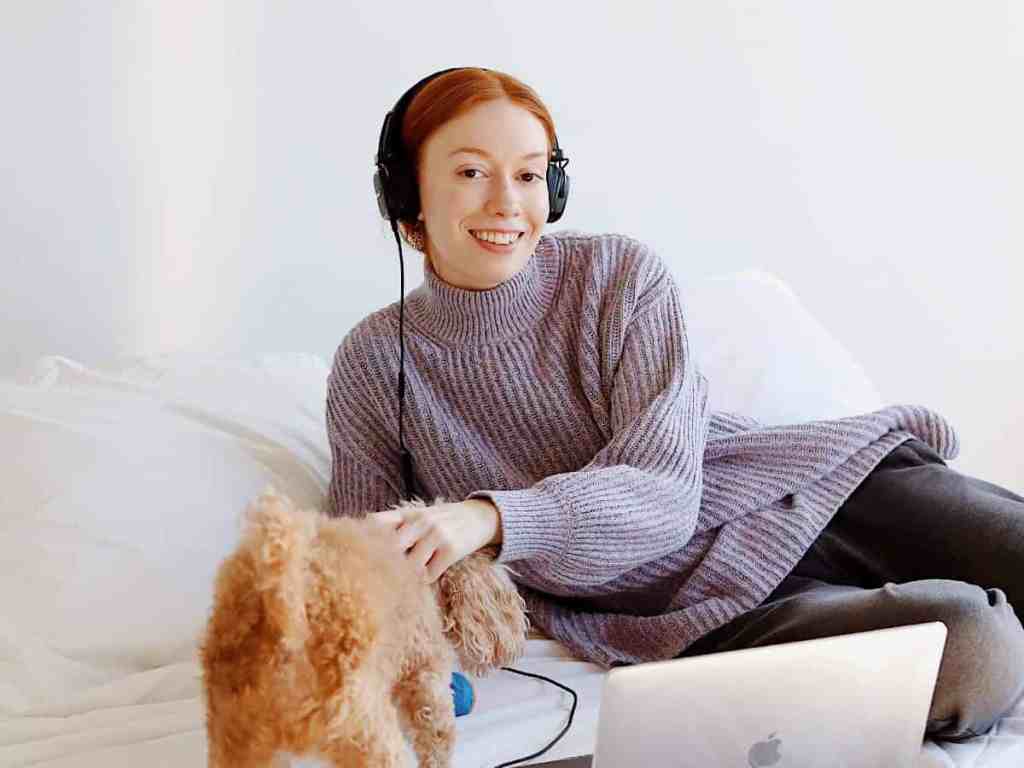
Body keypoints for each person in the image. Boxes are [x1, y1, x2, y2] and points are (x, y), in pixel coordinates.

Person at [326, 67, 1024, 742]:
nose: (508, 202)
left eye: (531, 175)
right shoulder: (373, 363)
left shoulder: (618, 276)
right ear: (407, 192)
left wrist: (494, 517)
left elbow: (663, 494)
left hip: (821, 494)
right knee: (975, 650)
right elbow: (365, 568)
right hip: (692, 614)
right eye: (472, 172)